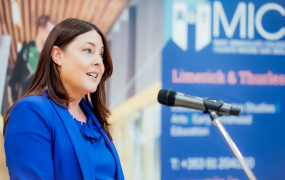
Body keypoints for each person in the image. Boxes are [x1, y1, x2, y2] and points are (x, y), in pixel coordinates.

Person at [3, 18, 124, 180]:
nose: (99, 62)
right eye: (88, 50)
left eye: (101, 54)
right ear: (58, 56)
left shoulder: (93, 118)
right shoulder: (31, 112)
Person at [8, 15, 54, 105]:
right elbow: (13, 79)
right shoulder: (26, 50)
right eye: (48, 32)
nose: (50, 37)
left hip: (41, 104)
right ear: (40, 30)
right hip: (24, 102)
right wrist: (13, 103)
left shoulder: (50, 56)